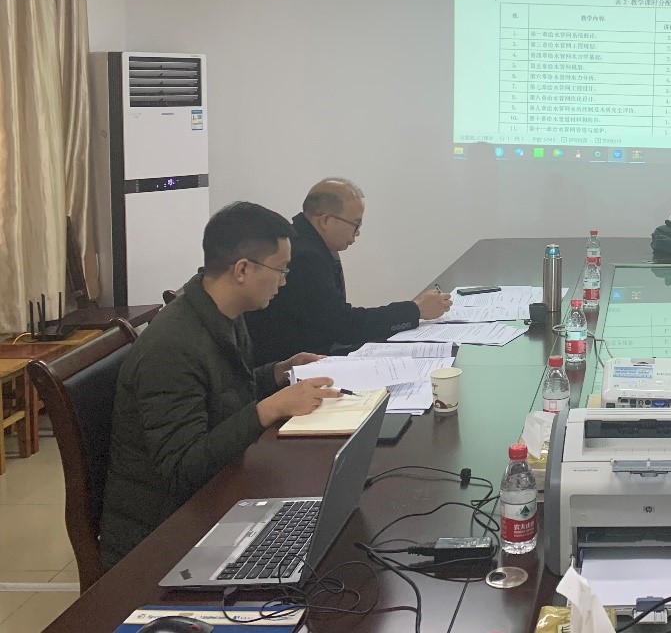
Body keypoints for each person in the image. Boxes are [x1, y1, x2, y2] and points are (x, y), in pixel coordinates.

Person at [99, 202, 341, 568]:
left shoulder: (221, 312)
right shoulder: (171, 348)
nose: (284, 281)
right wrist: (270, 408)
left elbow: (222, 393)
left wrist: (278, 372)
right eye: (281, 269)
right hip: (163, 533)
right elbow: (182, 469)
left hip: (209, 498)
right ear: (242, 269)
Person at [245, 178, 452, 364]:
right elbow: (344, 325)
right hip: (292, 367)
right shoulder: (306, 256)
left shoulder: (308, 242)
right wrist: (415, 310)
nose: (357, 233)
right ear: (326, 220)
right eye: (355, 224)